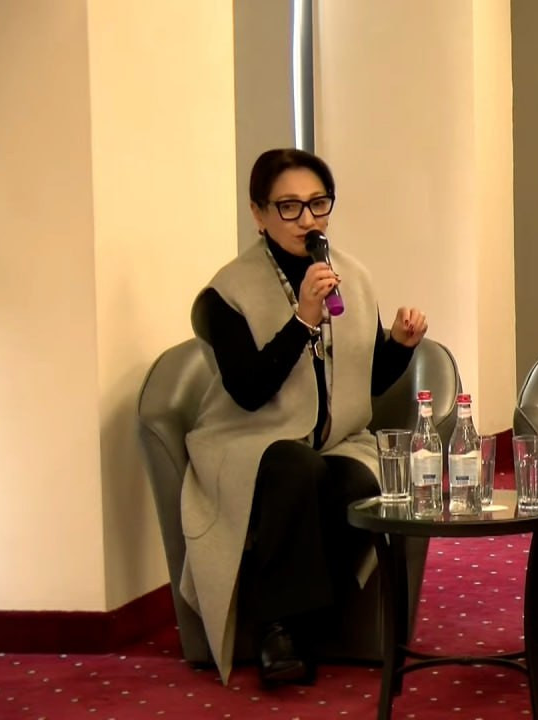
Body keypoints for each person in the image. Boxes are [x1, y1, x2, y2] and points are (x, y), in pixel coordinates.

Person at [179, 148, 428, 686]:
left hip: (332, 441)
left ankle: (302, 624)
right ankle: (277, 631)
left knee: (358, 483)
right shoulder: (225, 294)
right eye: (289, 207)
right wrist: (301, 320)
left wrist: (400, 345)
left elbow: (365, 381)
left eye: (318, 204)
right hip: (247, 442)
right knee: (298, 469)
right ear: (258, 213)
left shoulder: (351, 277)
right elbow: (248, 392)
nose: (307, 220)